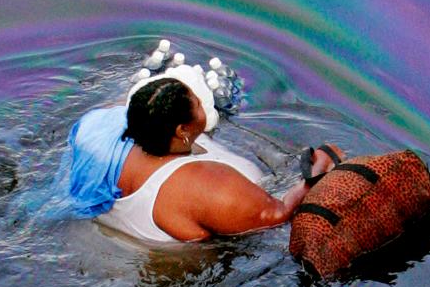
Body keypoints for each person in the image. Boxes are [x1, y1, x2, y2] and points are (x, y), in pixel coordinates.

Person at [66, 70, 338, 243]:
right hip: (170, 266)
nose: (202, 106)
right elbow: (277, 215)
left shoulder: (105, 133)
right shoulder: (203, 185)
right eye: (197, 104)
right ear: (182, 129)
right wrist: (315, 175)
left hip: (108, 243)